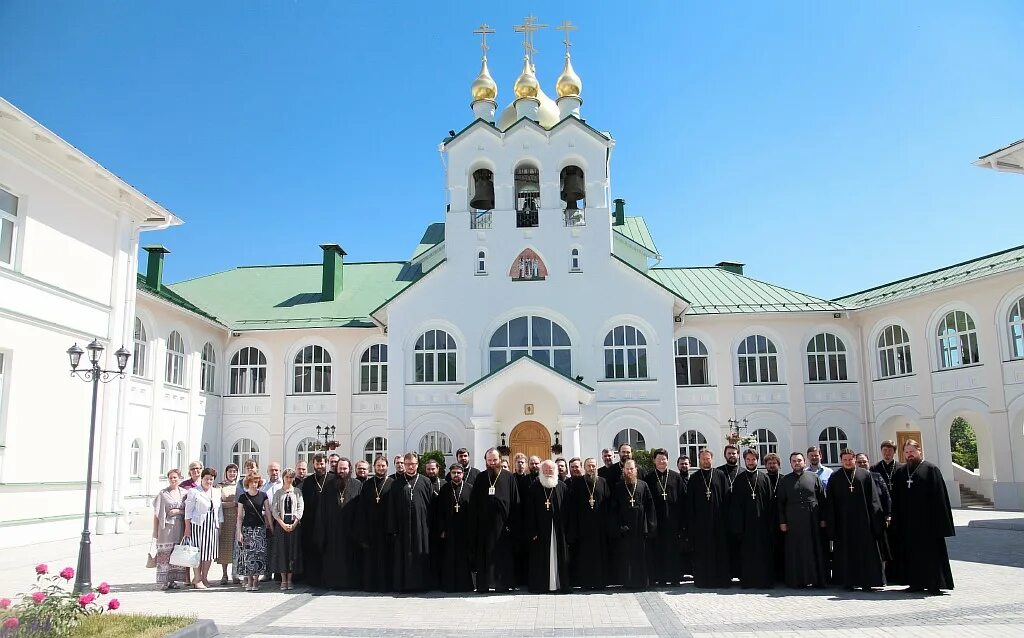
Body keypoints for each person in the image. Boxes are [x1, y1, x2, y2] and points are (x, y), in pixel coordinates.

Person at [890, 439, 955, 594]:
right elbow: (896, 499)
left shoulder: (931, 469)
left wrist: (940, 524)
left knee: (931, 555)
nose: (909, 455)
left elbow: (940, 499)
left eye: (912, 451)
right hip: (908, 524)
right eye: (906, 452)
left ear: (919, 451)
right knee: (911, 555)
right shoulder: (900, 472)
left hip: (928, 524)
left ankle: (934, 584)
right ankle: (915, 583)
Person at [826, 449, 885, 591]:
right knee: (846, 554)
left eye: (850, 459)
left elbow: (874, 499)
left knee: (866, 554)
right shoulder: (835, 477)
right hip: (843, 524)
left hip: (864, 522)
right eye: (845, 460)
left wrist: (876, 520)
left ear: (854, 459)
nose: (847, 462)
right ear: (841, 460)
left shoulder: (865, 475)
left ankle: (867, 581)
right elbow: (830, 503)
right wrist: (831, 525)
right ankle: (848, 582)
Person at [469, 448, 519, 592]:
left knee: (502, 557)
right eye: (489, 460)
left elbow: (515, 502)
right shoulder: (480, 477)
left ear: (500, 460)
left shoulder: (509, 477)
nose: (492, 463)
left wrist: (512, 525)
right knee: (484, 557)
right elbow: (474, 503)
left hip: (503, 527)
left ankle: (502, 585)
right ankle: (484, 586)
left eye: (494, 460)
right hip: (484, 526)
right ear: (485, 461)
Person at [778, 452, 828, 588]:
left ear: (804, 462)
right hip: (793, 521)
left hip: (813, 520)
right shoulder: (785, 480)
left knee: (814, 549)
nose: (797, 463)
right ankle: (797, 580)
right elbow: (781, 503)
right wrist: (782, 522)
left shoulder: (814, 477)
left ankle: (817, 580)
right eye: (794, 461)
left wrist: (823, 518)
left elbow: (822, 499)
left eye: (799, 460)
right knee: (796, 551)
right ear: (790, 463)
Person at [728, 449, 775, 588]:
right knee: (747, 554)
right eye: (748, 460)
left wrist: (770, 524)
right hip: (746, 526)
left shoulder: (764, 478)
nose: (750, 462)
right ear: (744, 460)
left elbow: (770, 502)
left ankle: (764, 581)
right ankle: (747, 581)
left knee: (763, 553)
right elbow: (735, 505)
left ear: (757, 460)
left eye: (753, 459)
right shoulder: (739, 479)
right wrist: (738, 526)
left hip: (762, 524)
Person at [607, 459, 656, 589]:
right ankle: (628, 582)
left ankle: (643, 582)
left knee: (642, 556)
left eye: (631, 469)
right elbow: (614, 509)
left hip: (641, 528)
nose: (629, 471)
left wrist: (649, 526)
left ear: (636, 470)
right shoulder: (618, 486)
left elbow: (650, 507)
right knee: (627, 557)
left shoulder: (643, 485)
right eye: (627, 469)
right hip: (626, 529)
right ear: (623, 471)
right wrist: (620, 526)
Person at [684, 449, 730, 588]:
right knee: (702, 553)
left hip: (718, 522)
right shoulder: (694, 478)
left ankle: (720, 580)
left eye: (708, 458)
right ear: (699, 460)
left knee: (719, 552)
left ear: (712, 459)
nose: (705, 461)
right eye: (703, 459)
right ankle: (703, 580)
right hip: (700, 524)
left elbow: (727, 498)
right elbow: (689, 503)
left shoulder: (720, 475)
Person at [388, 452, 433, 592]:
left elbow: (431, 505)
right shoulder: (397, 484)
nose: (410, 467)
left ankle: (422, 585)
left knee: (421, 553)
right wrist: (393, 528)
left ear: (417, 464)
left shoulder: (425, 482)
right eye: (407, 464)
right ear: (404, 465)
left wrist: (431, 526)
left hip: (422, 527)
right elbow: (391, 507)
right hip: (402, 528)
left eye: (413, 464)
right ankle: (404, 585)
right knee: (403, 555)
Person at [524, 460, 570, 593]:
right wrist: (532, 530)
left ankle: (559, 585)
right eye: (546, 470)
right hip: (540, 531)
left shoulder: (562, 487)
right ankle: (541, 585)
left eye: (551, 470)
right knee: (540, 559)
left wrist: (566, 530)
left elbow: (567, 511)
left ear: (555, 471)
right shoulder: (534, 487)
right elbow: (529, 511)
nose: (548, 473)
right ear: (541, 471)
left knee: (559, 557)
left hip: (558, 531)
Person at [318, 457, 362, 590]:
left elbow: (361, 509)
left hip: (351, 529)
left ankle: (350, 583)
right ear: (336, 470)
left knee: (350, 557)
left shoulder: (357, 485)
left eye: (345, 468)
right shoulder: (329, 486)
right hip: (333, 530)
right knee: (333, 557)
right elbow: (322, 510)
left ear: (349, 470)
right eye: (340, 468)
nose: (342, 471)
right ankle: (333, 582)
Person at [566, 457, 609, 589]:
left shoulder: (603, 482)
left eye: (593, 466)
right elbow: (572, 507)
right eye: (589, 466)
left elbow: (608, 502)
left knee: (599, 556)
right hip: (583, 527)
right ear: (584, 468)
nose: (591, 468)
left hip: (599, 526)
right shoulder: (578, 483)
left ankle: (599, 582)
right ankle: (585, 582)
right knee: (584, 556)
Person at [644, 448, 684, 586]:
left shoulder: (676, 477)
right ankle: (659, 577)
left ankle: (674, 577)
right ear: (654, 460)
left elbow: (682, 499)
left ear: (668, 460)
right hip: (656, 521)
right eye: (659, 459)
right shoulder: (648, 479)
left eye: (664, 459)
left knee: (673, 550)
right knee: (658, 550)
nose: (662, 461)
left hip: (673, 521)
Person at [434, 463, 474, 592]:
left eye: (459, 473)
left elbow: (475, 511)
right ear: (450, 474)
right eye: (454, 473)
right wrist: (442, 529)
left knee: (464, 558)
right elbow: (439, 511)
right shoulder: (445, 489)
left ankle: (465, 585)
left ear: (463, 474)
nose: (456, 475)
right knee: (449, 558)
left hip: (465, 530)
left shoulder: (469, 488)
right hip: (449, 530)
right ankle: (449, 585)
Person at [182, 467, 223, 589]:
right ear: (202, 478)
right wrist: (187, 527)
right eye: (207, 479)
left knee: (209, 553)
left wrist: (219, 525)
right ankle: (197, 578)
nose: (209, 481)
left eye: (211, 479)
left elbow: (219, 510)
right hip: (198, 525)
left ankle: (204, 577)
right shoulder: (194, 492)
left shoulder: (216, 492)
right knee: (197, 553)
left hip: (212, 526)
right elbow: (188, 512)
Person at [358, 455, 394, 592]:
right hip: (370, 528)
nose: (380, 468)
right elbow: (361, 509)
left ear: (387, 467)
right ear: (374, 467)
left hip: (386, 528)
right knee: (370, 559)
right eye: (378, 466)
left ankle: (385, 586)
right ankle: (370, 585)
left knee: (386, 558)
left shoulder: (392, 483)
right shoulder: (367, 484)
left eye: (383, 466)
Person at [857, 452, 893, 574]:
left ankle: (882, 574)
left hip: (877, 517)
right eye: (859, 462)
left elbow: (886, 496)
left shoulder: (877, 476)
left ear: (869, 462)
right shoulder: (853, 478)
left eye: (864, 462)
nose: (862, 464)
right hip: (861, 520)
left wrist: (888, 514)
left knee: (880, 547)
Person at [152, 469, 187, 590]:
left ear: (179, 478)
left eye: (175, 478)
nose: (173, 480)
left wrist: (179, 511)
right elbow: (157, 513)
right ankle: (163, 580)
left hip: (180, 526)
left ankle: (173, 580)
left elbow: (188, 510)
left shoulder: (184, 493)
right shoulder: (163, 493)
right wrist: (155, 531)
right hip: (166, 527)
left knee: (176, 552)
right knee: (165, 552)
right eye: (171, 478)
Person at [236, 471, 271, 592]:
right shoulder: (242, 497)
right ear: (248, 483)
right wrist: (239, 532)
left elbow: (267, 512)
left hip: (260, 528)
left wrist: (271, 527)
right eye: (252, 482)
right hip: (247, 529)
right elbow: (240, 516)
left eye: (256, 482)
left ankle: (256, 580)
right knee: (248, 555)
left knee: (259, 555)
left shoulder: (263, 495)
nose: (254, 484)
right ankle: (249, 580)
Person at [269, 468, 303, 590]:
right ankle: (283, 580)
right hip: (281, 524)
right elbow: (274, 509)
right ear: (283, 477)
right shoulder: (278, 492)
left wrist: (295, 523)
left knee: (292, 551)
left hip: (294, 524)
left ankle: (290, 579)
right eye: (287, 477)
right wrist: (282, 523)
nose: (289, 479)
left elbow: (300, 507)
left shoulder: (297, 491)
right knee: (282, 551)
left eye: (291, 477)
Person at [300, 453, 330, 588]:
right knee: (312, 551)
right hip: (310, 522)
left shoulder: (332, 479)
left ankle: (327, 578)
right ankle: (312, 579)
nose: (320, 466)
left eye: (322, 463)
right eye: (317, 464)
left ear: (326, 463)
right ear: (314, 464)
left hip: (328, 522)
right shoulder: (308, 481)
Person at [763, 452, 785, 583]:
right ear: (765, 465)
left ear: (779, 465)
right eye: (769, 463)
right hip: (767, 519)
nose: (772, 465)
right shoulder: (763, 478)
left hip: (781, 519)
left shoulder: (784, 479)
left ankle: (782, 575)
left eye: (774, 463)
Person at [217, 463, 240, 585]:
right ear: (226, 473)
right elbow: (218, 503)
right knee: (225, 547)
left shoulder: (240, 485)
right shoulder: (220, 486)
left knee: (236, 547)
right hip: (225, 520)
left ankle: (235, 574)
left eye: (234, 471)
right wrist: (233, 504)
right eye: (230, 471)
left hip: (237, 519)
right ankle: (224, 574)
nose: (232, 474)